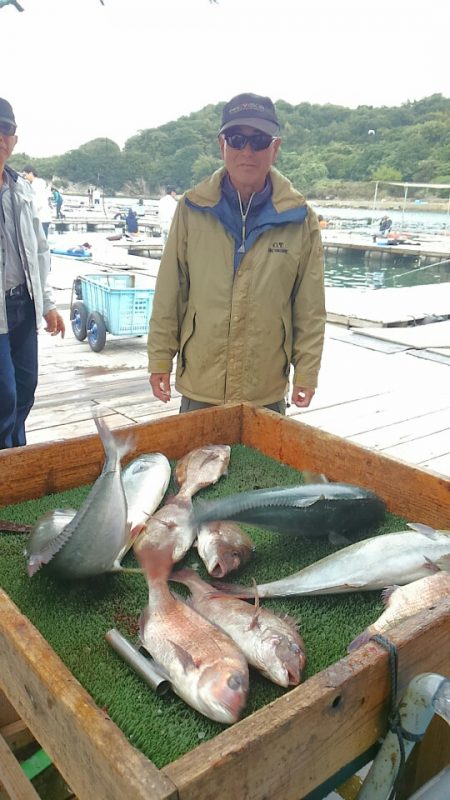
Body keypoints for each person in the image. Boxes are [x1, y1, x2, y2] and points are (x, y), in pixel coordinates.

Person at [148, 92, 326, 415]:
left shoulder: (301, 218)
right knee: (192, 465)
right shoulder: (191, 209)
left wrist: (307, 372)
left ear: (275, 148)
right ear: (222, 145)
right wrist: (160, 357)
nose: (247, 151)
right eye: (237, 139)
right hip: (202, 381)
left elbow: (310, 306)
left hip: (266, 387)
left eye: (258, 140)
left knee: (261, 467)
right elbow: (170, 291)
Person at [0, 98, 65, 449]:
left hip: (22, 306)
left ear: (14, 139)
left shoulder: (21, 190)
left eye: (4, 129)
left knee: (25, 390)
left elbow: (39, 250)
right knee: (4, 397)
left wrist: (48, 304)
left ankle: (17, 456)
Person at [22, 165, 52, 238]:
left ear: (31, 173)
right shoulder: (35, 183)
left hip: (42, 218)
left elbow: (38, 202)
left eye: (25, 175)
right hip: (39, 218)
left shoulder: (38, 184)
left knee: (41, 242)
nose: (24, 177)